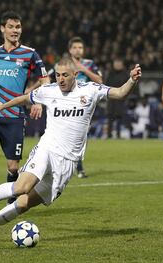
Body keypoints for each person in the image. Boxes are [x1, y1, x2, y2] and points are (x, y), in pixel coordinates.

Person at [0, 58, 142, 243]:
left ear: (75, 74)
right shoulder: (49, 90)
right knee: (21, 187)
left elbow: (119, 93)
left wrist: (132, 79)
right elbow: (26, 98)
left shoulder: (91, 90)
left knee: (23, 204)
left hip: (67, 163)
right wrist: (3, 105)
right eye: (58, 75)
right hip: (47, 148)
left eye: (65, 75)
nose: (60, 79)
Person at [0, 11, 49, 215]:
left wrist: (38, 101)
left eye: (18, 27)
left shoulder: (30, 54)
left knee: (13, 168)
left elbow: (45, 81)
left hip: (14, 117)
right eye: (11, 27)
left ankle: (9, 203)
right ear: (2, 29)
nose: (15, 31)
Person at [68, 36, 103, 178]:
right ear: (70, 50)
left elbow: (100, 80)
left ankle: (79, 168)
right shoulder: (64, 64)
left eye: (80, 47)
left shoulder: (90, 64)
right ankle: (72, 167)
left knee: (80, 138)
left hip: (83, 108)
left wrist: (83, 69)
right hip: (66, 106)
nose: (78, 50)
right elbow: (49, 79)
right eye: (75, 47)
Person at [106, 58, 129, 139]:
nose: (117, 65)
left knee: (119, 117)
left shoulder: (125, 74)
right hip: (112, 98)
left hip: (121, 99)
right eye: (116, 63)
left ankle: (118, 135)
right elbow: (107, 85)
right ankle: (109, 135)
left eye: (119, 63)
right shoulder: (110, 73)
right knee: (110, 117)